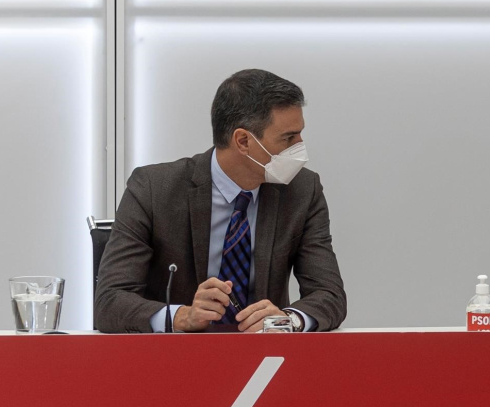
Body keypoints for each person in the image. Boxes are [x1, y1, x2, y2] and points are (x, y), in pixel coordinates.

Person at [95, 69, 347, 333]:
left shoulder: (302, 191)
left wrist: (286, 321)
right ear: (243, 141)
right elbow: (110, 301)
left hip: (264, 352)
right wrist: (182, 316)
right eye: (288, 138)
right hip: (176, 352)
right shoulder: (153, 189)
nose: (300, 147)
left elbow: (329, 294)